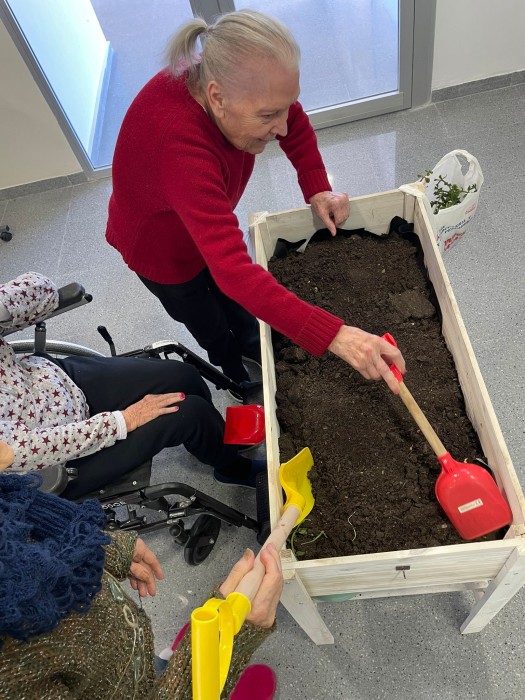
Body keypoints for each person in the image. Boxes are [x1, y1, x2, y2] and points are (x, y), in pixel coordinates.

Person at [106, 9, 406, 390]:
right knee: (209, 322)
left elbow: (293, 122)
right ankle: (234, 373)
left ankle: (256, 346)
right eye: (268, 116)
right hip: (163, 252)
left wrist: (317, 186)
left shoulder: (237, 83)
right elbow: (234, 272)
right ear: (217, 99)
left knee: (239, 307)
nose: (281, 126)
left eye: (285, 107)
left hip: (200, 218)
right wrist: (336, 336)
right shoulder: (181, 147)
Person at [0, 471, 283, 699]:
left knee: (145, 671)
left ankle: (164, 668)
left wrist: (106, 549)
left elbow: (21, 521)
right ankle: (192, 674)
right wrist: (230, 644)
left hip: (121, 666)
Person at [0, 271, 266, 498]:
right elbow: (18, 450)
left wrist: (3, 308)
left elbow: (44, 290)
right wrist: (123, 420)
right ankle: (232, 469)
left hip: (50, 381)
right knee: (189, 413)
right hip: (53, 462)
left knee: (183, 375)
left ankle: (217, 443)